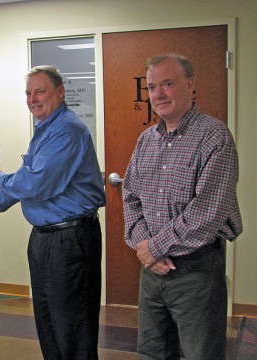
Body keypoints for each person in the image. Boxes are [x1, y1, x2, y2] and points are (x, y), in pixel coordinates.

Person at [122, 53, 243, 360]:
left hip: (196, 272)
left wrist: (154, 248)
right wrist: (144, 248)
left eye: (168, 84)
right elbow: (131, 198)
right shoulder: (145, 140)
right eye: (151, 87)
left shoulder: (215, 137)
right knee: (151, 352)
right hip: (152, 272)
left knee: (200, 354)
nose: (158, 94)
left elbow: (207, 212)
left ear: (190, 86)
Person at [0, 65, 106, 360]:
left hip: (70, 239)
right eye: (28, 93)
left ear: (60, 93)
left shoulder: (66, 129)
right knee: (49, 324)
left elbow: (36, 183)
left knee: (72, 329)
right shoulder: (45, 129)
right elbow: (29, 180)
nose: (33, 99)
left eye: (40, 91)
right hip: (46, 240)